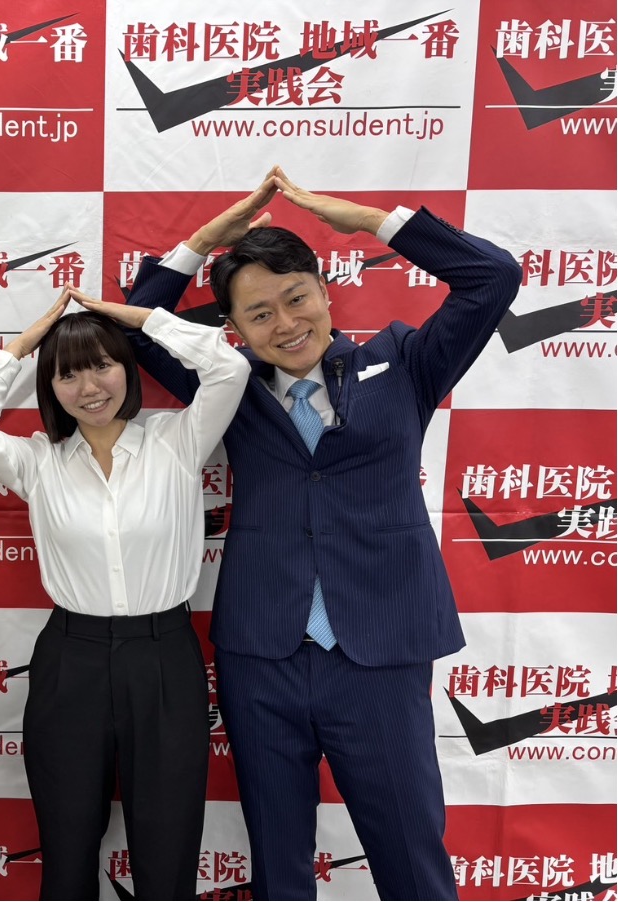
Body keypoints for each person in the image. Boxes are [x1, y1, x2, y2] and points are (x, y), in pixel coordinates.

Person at [124, 166, 523, 900]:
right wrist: (204, 240)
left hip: (381, 653)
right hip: (262, 657)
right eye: (259, 314)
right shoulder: (227, 385)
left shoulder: (403, 363)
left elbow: (492, 277)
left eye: (296, 298)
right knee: (279, 866)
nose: (285, 323)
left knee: (411, 859)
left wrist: (371, 221)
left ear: (325, 291)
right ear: (234, 329)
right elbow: (133, 326)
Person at [0, 280, 251, 899]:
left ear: (127, 368)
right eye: (68, 374)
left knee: (168, 848)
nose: (89, 387)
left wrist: (137, 318)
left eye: (102, 365)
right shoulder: (38, 460)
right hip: (72, 658)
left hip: (165, 656)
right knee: (67, 846)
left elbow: (229, 367)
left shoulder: (177, 440)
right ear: (51, 386)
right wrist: (25, 345)